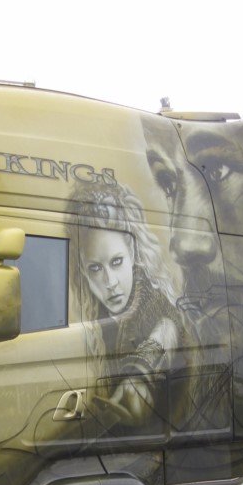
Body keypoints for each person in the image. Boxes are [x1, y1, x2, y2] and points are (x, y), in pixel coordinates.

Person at [72, 179, 191, 429]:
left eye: (116, 262)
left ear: (133, 254)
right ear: (83, 270)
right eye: (95, 268)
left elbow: (166, 330)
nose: (110, 282)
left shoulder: (155, 305)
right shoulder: (96, 314)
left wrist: (138, 376)